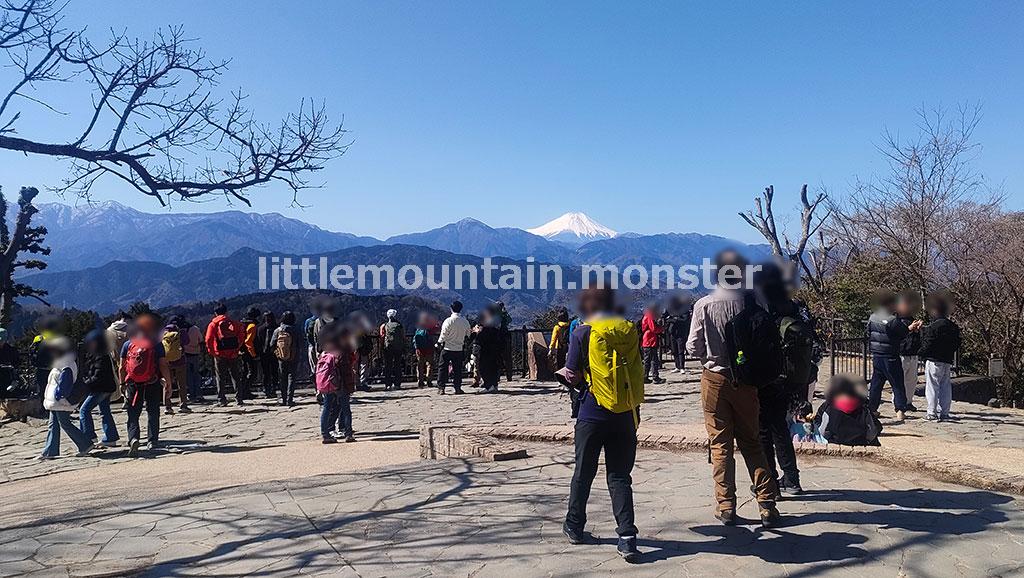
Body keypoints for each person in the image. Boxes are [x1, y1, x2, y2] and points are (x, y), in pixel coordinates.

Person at [686, 250, 781, 527]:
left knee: (720, 445)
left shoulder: (704, 304)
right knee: (752, 442)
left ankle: (726, 505)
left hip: (714, 379)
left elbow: (693, 346)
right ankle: (767, 503)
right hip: (747, 381)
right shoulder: (753, 301)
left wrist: (708, 357)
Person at [556, 285, 643, 563]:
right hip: (625, 412)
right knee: (619, 476)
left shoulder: (582, 331)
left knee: (583, 472)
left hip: (592, 412)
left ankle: (574, 525)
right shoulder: (629, 329)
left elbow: (572, 373)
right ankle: (627, 536)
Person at [121, 315, 174, 457]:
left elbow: (122, 367)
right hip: (152, 381)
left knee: (133, 413)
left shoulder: (128, 344)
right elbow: (163, 364)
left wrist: (122, 384)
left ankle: (134, 438)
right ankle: (152, 441)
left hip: (133, 384)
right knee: (153, 411)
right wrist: (168, 383)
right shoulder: (157, 344)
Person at [867, 291, 922, 420]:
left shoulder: (873, 317)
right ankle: (900, 409)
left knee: (876, 384)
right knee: (897, 383)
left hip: (877, 355)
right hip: (890, 355)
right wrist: (911, 328)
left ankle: (872, 408)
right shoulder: (892, 320)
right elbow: (902, 333)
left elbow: (868, 332)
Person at [39, 337, 94, 460]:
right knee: (53, 425)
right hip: (56, 401)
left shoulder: (66, 365)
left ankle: (85, 444)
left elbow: (65, 383)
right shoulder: (63, 362)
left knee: (65, 424)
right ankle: (50, 451)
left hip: (60, 401)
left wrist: (59, 395)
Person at [919, 294, 961, 421]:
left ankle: (931, 412)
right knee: (945, 386)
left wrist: (921, 353)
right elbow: (957, 342)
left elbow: (928, 343)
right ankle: (945, 412)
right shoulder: (953, 326)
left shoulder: (933, 327)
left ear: (935, 310)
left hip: (933, 359)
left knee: (932, 386)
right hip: (947, 360)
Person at [78, 329, 120, 448]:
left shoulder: (99, 356)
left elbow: (98, 376)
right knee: (105, 412)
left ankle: (88, 437)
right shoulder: (102, 354)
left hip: (100, 389)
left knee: (84, 410)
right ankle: (110, 438)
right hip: (106, 388)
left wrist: (86, 383)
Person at [815, 375, 883, 446]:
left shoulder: (829, 405)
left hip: (834, 442)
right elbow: (873, 431)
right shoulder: (863, 406)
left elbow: (821, 430)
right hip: (860, 443)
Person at [316, 327, 357, 443]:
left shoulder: (325, 352)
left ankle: (325, 434)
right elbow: (345, 371)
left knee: (326, 408)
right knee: (345, 409)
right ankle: (348, 433)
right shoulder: (341, 352)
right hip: (340, 384)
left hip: (327, 383)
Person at [205, 303, 248, 407]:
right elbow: (242, 335)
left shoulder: (213, 324)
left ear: (215, 313)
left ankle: (222, 399)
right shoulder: (234, 323)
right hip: (233, 353)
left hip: (219, 354)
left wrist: (213, 352)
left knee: (220, 377)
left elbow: (208, 339)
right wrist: (237, 347)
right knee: (235, 376)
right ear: (226, 312)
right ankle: (239, 398)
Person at [436, 300, 472, 394]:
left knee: (442, 368)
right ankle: (457, 387)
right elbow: (469, 334)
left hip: (447, 348)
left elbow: (443, 334)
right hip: (459, 348)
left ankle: (441, 387)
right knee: (457, 369)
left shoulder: (448, 321)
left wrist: (439, 343)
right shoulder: (465, 322)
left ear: (451, 309)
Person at [896, 291, 923, 412]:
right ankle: (897, 402)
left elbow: (915, 337)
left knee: (912, 381)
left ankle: (908, 402)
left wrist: (917, 330)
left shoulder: (912, 319)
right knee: (899, 380)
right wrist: (909, 329)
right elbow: (897, 335)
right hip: (901, 353)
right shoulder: (895, 320)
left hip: (913, 353)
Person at [271, 311, 303, 406]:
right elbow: (300, 343)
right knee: (291, 377)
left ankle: (284, 399)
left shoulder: (278, 330)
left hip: (281, 357)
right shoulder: (295, 330)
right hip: (293, 356)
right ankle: (290, 398)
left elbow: (272, 344)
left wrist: (277, 353)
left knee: (282, 377)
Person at [159, 319, 191, 414]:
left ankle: (168, 406)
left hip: (167, 362)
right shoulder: (181, 332)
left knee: (167, 384)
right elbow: (187, 341)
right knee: (182, 384)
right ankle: (183, 405)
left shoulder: (162, 333)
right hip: (180, 361)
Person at [474, 308, 504, 393]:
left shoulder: (486, 327)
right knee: (494, 367)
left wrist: (477, 332)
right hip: (495, 350)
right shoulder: (497, 325)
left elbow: (480, 339)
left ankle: (489, 385)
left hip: (486, 350)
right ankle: (494, 385)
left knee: (484, 368)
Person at [105, 311, 132, 405]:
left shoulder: (109, 329)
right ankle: (128, 399)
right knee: (128, 378)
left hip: (113, 357)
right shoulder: (129, 329)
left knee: (118, 378)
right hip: (127, 357)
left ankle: (119, 396)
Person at [664, 297, 692, 373]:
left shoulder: (684, 310)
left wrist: (673, 319)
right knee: (674, 350)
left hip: (681, 333)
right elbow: (665, 317)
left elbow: (685, 320)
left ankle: (682, 367)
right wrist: (673, 319)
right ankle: (677, 366)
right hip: (672, 332)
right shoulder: (670, 309)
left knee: (680, 350)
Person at [380, 309, 405, 390]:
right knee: (397, 365)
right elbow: (403, 336)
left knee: (388, 366)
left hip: (388, 348)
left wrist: (382, 346)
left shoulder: (385, 325)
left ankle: (388, 384)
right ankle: (397, 384)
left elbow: (382, 336)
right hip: (398, 348)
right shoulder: (399, 325)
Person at [256, 311, 280, 398]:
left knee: (266, 373)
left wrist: (258, 353)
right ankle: (273, 388)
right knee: (274, 372)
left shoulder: (260, 329)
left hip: (264, 354)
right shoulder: (277, 328)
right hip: (275, 353)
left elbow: (258, 343)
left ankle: (266, 389)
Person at [182, 318, 206, 403]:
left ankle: (191, 394)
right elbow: (201, 340)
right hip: (195, 354)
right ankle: (198, 393)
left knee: (188, 375)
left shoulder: (180, 330)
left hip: (184, 354)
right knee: (196, 374)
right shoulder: (195, 329)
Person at [239, 307, 261, 398]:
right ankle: (245, 391)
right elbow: (249, 341)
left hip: (242, 351)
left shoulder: (242, 323)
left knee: (245, 372)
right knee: (252, 372)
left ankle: (242, 391)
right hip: (249, 352)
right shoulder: (252, 326)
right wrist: (253, 354)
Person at [413, 312, 439, 388]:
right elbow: (437, 330)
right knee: (429, 364)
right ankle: (429, 380)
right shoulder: (429, 326)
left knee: (420, 365)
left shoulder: (418, 327)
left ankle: (420, 381)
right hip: (429, 349)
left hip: (419, 349)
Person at [640, 304, 664, 384]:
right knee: (653, 360)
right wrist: (661, 329)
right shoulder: (649, 315)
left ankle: (646, 376)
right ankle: (654, 377)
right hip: (650, 340)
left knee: (649, 360)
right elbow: (653, 328)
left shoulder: (647, 314)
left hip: (648, 340)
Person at [304, 301, 322, 374]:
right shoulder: (324, 320)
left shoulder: (308, 321)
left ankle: (316, 381)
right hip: (323, 347)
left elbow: (306, 332)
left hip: (311, 346)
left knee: (314, 367)